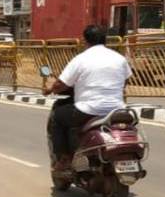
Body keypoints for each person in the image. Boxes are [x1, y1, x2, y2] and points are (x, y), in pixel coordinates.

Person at [44, 25, 132, 171]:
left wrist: (50, 89)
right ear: (105, 40)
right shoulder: (120, 58)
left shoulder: (81, 59)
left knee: (58, 116)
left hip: (89, 109)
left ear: (85, 41)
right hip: (117, 110)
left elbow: (61, 84)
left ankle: (64, 158)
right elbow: (126, 80)